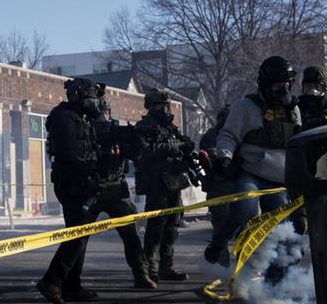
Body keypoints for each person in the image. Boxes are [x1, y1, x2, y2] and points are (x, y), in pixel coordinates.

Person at [203, 56, 301, 266]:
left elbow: (298, 143)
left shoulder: (294, 111)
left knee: (281, 227)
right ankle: (217, 244)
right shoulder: (245, 107)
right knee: (245, 209)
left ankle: (276, 279)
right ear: (265, 84)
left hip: (279, 180)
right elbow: (228, 135)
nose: (282, 90)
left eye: (286, 85)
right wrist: (225, 157)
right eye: (277, 85)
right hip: (252, 173)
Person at [36, 78, 104, 304]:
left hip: (81, 182)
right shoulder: (64, 118)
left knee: (80, 236)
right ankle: (52, 281)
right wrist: (88, 175)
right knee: (76, 236)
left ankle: (72, 286)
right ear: (78, 96)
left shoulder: (78, 118)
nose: (93, 103)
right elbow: (72, 154)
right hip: (73, 182)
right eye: (90, 98)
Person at [91, 93, 157, 289]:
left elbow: (134, 156)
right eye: (101, 114)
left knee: (131, 235)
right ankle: (68, 281)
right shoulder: (87, 133)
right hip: (93, 189)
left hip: (116, 189)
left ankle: (141, 274)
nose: (105, 117)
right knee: (79, 239)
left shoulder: (116, 132)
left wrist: (136, 144)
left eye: (107, 113)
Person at [135, 89, 194, 282]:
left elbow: (181, 145)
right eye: (161, 105)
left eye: (166, 105)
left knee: (172, 225)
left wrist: (185, 144)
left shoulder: (170, 127)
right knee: (156, 226)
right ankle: (150, 267)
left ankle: (166, 266)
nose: (165, 109)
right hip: (155, 181)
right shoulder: (143, 126)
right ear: (151, 106)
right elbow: (144, 151)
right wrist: (170, 146)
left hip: (173, 181)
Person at [198, 107, 232, 240]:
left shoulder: (239, 134)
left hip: (237, 185)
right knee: (221, 229)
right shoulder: (212, 136)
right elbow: (209, 154)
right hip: (219, 186)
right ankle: (221, 260)